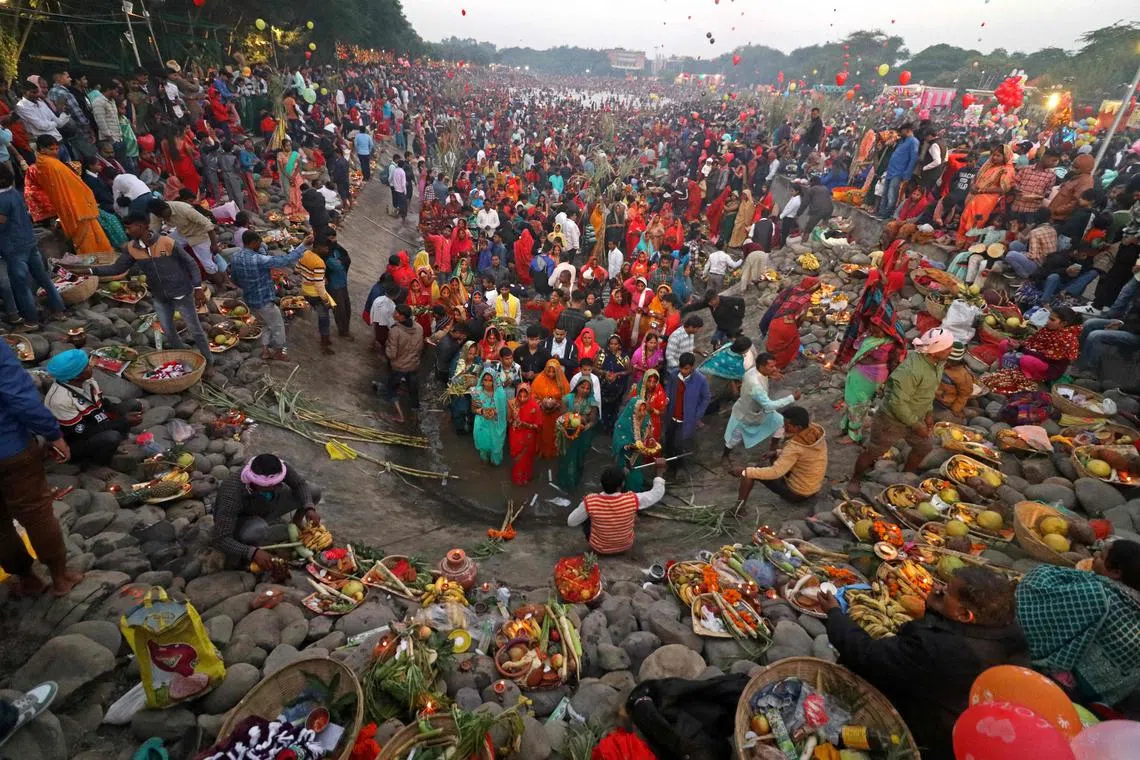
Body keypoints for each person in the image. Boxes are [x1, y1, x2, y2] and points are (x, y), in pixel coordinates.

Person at [818, 566, 1025, 760]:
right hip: (962, 719)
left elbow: (868, 653)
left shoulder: (939, 650)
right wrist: (935, 611)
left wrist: (835, 614)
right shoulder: (1009, 634)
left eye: (947, 591)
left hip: (928, 736)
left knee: (858, 666)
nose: (938, 588)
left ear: (963, 614)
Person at [0, 340, 81, 596]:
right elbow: (19, 397)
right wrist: (52, 433)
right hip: (10, 448)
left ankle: (27, 579)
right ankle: (60, 577)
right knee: (37, 513)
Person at [1016, 540, 1140, 706]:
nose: (1095, 556)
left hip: (1082, 685)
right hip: (1111, 692)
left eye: (1101, 557)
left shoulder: (1101, 596)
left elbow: (1037, 585)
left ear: (1116, 573)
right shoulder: (1132, 597)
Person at [84, 213, 212, 368]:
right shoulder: (131, 248)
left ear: (142, 226)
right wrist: (90, 271)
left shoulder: (167, 242)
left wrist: (197, 287)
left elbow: (191, 263)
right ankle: (181, 355)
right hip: (160, 296)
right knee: (168, 330)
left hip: (181, 292)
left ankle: (209, 362)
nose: (127, 231)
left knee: (195, 330)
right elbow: (117, 268)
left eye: (129, 227)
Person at [848, 327, 955, 494]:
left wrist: (928, 414)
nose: (951, 350)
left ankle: (906, 475)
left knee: (924, 447)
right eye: (948, 347)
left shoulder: (937, 363)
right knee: (874, 451)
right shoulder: (911, 370)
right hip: (891, 420)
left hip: (916, 415)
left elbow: (928, 392)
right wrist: (915, 425)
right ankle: (855, 478)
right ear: (935, 351)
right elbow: (896, 403)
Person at [210, 454, 321, 570]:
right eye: (274, 485)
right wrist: (252, 553)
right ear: (257, 484)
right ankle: (247, 555)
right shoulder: (232, 494)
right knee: (257, 530)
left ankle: (296, 522)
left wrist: (309, 508)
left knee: (313, 492)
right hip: (246, 518)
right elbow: (220, 539)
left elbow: (300, 484)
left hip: (271, 504)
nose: (280, 485)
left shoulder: (278, 468)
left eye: (280, 481)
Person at [43, 349, 141, 466]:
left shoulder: (87, 380)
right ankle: (98, 465)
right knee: (111, 437)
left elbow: (102, 403)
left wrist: (119, 413)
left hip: (96, 421)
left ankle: (119, 442)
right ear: (75, 377)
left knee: (133, 405)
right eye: (86, 366)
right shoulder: (60, 401)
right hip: (76, 441)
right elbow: (83, 433)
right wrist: (122, 421)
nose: (91, 366)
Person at [0, 164, 65, 328]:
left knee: (21, 285)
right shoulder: (14, 193)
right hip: (29, 242)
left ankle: (31, 320)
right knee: (43, 277)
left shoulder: (1, 200)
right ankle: (59, 310)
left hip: (14, 247)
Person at [229, 231, 306, 360]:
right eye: (259, 242)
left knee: (264, 324)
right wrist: (303, 245)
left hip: (250, 300)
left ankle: (265, 351)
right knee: (277, 325)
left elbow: (235, 279)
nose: (260, 245)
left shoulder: (235, 256)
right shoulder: (258, 259)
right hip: (264, 300)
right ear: (253, 242)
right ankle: (279, 352)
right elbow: (284, 260)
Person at [30, 136, 111, 255]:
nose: (55, 152)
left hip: (76, 202)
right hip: (73, 206)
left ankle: (98, 256)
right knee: (85, 236)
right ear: (41, 149)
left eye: (56, 149)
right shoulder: (48, 164)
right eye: (51, 149)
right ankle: (92, 258)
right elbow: (59, 188)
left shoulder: (49, 162)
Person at [731, 405, 826, 505]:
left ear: (798, 427)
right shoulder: (816, 433)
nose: (784, 428)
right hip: (813, 487)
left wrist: (745, 471)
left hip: (799, 494)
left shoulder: (794, 447)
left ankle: (738, 510)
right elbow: (805, 455)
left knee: (749, 473)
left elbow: (775, 472)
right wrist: (777, 452)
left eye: (787, 425)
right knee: (775, 457)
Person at [722, 351, 800, 465]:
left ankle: (773, 449)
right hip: (745, 413)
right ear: (762, 366)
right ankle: (725, 456)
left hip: (758, 411)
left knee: (779, 422)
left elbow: (763, 379)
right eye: (771, 366)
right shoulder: (756, 385)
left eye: (775, 365)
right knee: (733, 439)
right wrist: (792, 398)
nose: (775, 369)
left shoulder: (753, 371)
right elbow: (768, 405)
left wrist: (771, 375)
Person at [838, 321, 904, 445]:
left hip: (872, 379)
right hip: (857, 374)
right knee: (850, 401)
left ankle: (853, 435)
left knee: (858, 406)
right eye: (872, 329)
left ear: (886, 330)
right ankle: (846, 427)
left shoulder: (891, 345)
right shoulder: (869, 336)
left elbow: (894, 365)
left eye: (878, 331)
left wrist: (888, 384)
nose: (874, 333)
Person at [998, 307, 1081, 383]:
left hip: (1049, 368)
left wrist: (1020, 348)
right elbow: (1031, 343)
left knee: (1026, 360)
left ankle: (1029, 380)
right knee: (1004, 344)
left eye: (1052, 320)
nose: (1048, 321)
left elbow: (1044, 357)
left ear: (1063, 323)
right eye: (1049, 318)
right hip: (1033, 355)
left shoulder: (1066, 339)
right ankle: (1002, 372)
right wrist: (1018, 343)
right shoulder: (1047, 330)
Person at [149, 198, 225, 278]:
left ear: (167, 207)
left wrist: (214, 244)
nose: (166, 219)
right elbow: (154, 231)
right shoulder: (155, 214)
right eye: (162, 218)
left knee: (208, 264)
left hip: (199, 234)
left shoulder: (184, 209)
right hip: (182, 232)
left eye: (166, 216)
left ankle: (221, 284)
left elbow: (208, 225)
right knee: (163, 245)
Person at [957, 145, 1015, 243]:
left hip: (987, 199)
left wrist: (981, 191)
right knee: (965, 217)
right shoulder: (989, 165)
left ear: (1005, 157)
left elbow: (1002, 189)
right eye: (993, 155)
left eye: (998, 155)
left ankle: (967, 245)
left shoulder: (1007, 169)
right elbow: (976, 177)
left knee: (976, 221)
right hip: (975, 195)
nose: (994, 157)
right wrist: (972, 185)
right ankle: (959, 242)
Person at [760, 276, 821, 370]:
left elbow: (779, 302)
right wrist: (811, 318)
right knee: (791, 345)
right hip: (786, 325)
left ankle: (767, 366)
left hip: (775, 321)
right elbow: (799, 316)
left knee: (774, 346)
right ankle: (778, 367)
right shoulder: (806, 298)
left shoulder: (792, 289)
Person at [664, 352, 710, 464]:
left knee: (680, 444)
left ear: (692, 367)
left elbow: (706, 398)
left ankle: (679, 466)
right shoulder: (674, 375)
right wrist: (667, 398)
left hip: (686, 419)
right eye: (681, 368)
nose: (683, 371)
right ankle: (668, 462)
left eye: (686, 369)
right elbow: (668, 388)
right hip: (671, 416)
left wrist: (697, 415)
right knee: (668, 439)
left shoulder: (701, 380)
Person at [557, 377, 598, 489]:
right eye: (582, 387)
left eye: (588, 388)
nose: (585, 390)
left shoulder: (592, 401)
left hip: (583, 435)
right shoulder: (567, 398)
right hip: (567, 432)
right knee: (566, 457)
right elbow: (561, 415)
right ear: (577, 387)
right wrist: (574, 419)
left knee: (579, 459)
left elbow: (593, 420)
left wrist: (586, 425)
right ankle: (564, 482)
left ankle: (575, 481)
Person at [386, 304, 424, 413]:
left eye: (396, 313)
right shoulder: (419, 328)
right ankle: (415, 410)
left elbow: (392, 354)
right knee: (413, 388)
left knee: (391, 387)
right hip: (413, 365)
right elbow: (420, 348)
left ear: (402, 317)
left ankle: (400, 414)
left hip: (399, 367)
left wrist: (387, 349)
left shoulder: (395, 331)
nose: (394, 314)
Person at [876, 123, 919, 218]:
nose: (901, 132)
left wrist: (907, 174)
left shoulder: (913, 142)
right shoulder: (902, 141)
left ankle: (887, 214)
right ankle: (881, 212)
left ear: (908, 130)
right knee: (885, 193)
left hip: (899, 172)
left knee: (892, 194)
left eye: (902, 130)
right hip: (891, 170)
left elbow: (913, 159)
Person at [532, 358, 569, 459]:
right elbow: (533, 395)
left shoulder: (562, 381)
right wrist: (542, 404)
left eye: (554, 371)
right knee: (542, 433)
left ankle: (553, 451)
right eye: (549, 371)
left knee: (554, 433)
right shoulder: (539, 379)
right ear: (545, 370)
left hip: (556, 414)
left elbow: (566, 398)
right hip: (541, 413)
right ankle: (541, 451)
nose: (551, 374)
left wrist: (556, 404)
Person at [471, 368, 508, 466]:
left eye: (490, 380)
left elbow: (503, 411)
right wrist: (482, 411)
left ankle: (495, 462)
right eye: (485, 380)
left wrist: (494, 412)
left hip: (495, 423)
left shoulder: (500, 394)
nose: (487, 383)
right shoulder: (476, 392)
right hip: (482, 423)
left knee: (496, 445)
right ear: (482, 380)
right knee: (483, 445)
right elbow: (473, 409)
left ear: (495, 380)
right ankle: (484, 460)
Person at [508, 383, 541, 485]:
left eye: (525, 396)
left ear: (529, 395)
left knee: (526, 458)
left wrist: (526, 425)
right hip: (515, 434)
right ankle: (518, 477)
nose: (522, 399)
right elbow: (508, 419)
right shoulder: (512, 403)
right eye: (520, 396)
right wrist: (514, 421)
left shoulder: (535, 406)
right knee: (517, 457)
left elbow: (538, 426)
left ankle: (526, 476)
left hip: (529, 436)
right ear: (517, 394)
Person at [933, 343, 975, 420]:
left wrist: (955, 409)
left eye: (949, 361)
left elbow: (964, 395)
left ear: (957, 361)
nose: (946, 362)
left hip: (944, 403)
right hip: (933, 396)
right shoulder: (941, 364)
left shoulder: (963, 375)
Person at [325, 232, 353, 340]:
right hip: (334, 285)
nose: (333, 240)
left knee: (347, 308)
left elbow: (347, 260)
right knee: (340, 309)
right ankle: (343, 331)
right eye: (330, 237)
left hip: (342, 282)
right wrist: (342, 262)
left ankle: (346, 329)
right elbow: (337, 266)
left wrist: (341, 262)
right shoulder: (326, 253)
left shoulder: (338, 249)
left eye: (334, 237)